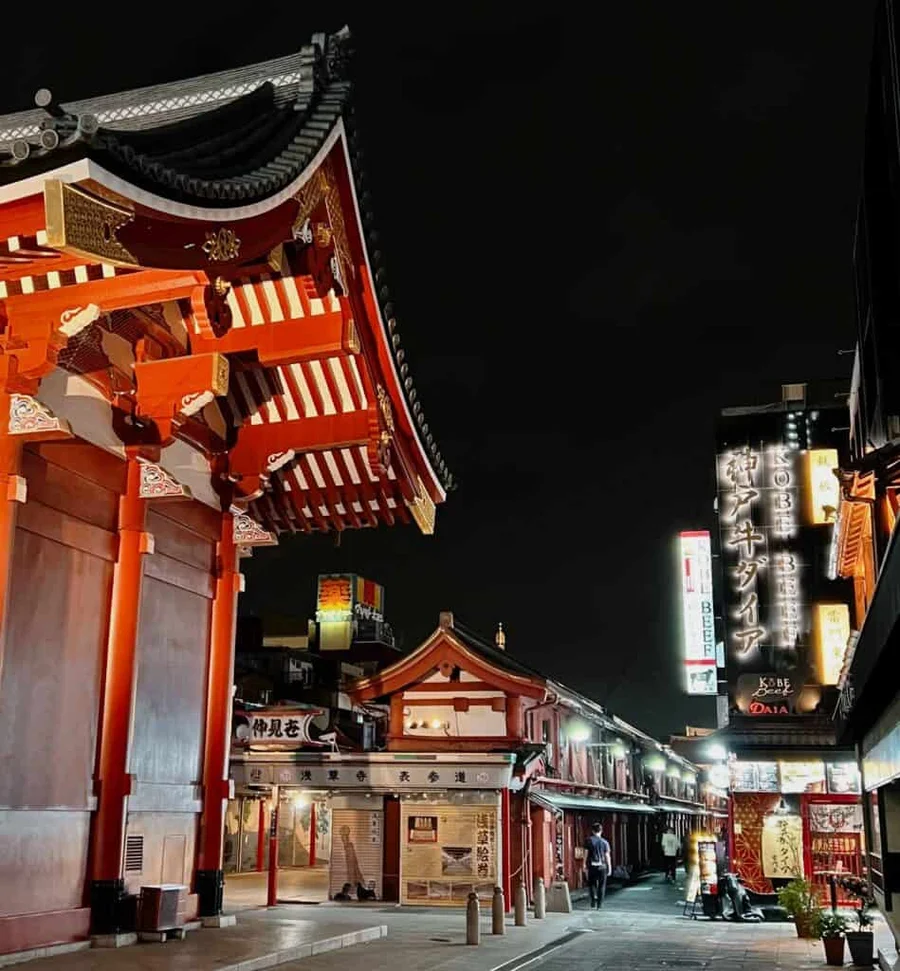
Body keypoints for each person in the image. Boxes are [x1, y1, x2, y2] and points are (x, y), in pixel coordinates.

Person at [583, 821, 611, 909]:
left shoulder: (589, 841)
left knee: (591, 884)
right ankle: (600, 904)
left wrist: (584, 864)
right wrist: (609, 867)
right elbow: (607, 856)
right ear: (601, 831)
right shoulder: (605, 842)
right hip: (602, 866)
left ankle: (593, 900)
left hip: (592, 865)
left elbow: (585, 853)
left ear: (592, 831)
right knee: (602, 885)